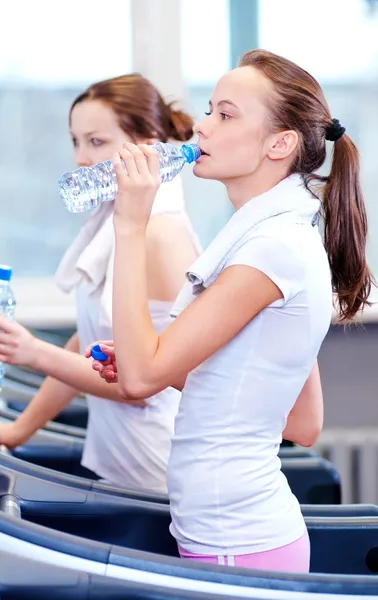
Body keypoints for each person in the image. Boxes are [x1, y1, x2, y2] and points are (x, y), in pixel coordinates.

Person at [88, 49, 372, 572]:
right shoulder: (271, 237)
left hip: (239, 542)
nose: (202, 126)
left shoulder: (272, 248)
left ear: (279, 144)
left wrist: (130, 224)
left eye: (225, 114)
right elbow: (296, 417)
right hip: (236, 535)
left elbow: (139, 378)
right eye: (208, 111)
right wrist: (167, 368)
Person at [0, 74, 200, 494]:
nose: (81, 158)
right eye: (76, 141)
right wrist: (19, 430)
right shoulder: (118, 225)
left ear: (149, 144)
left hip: (156, 472)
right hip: (122, 467)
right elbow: (95, 341)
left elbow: (141, 383)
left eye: (96, 142)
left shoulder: (159, 237)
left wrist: (31, 352)